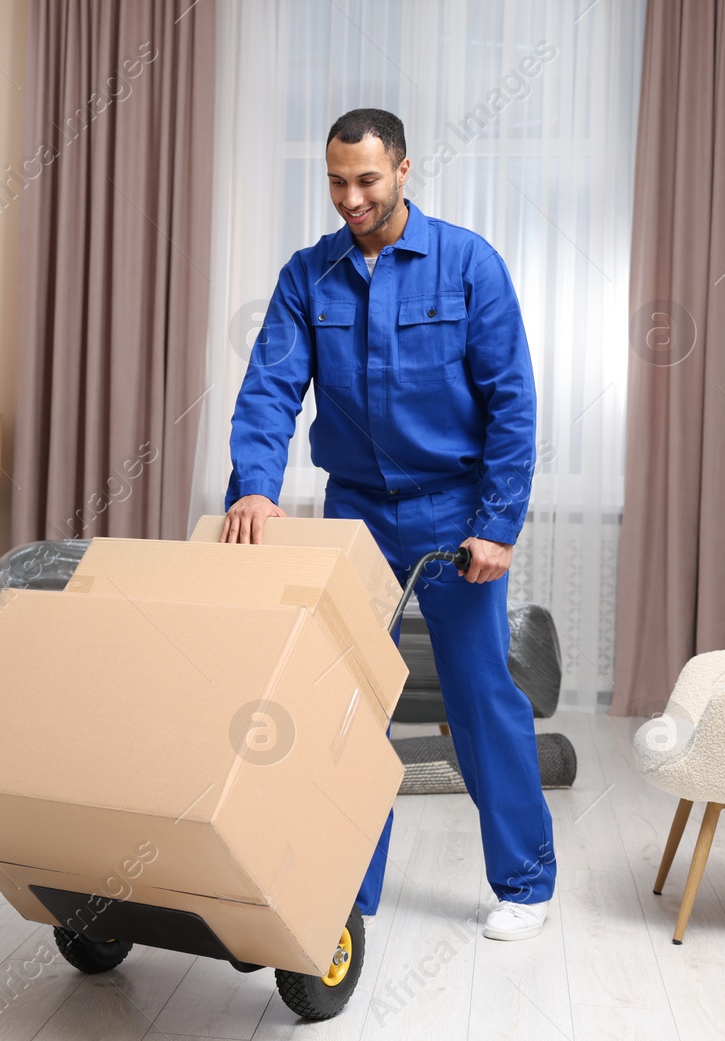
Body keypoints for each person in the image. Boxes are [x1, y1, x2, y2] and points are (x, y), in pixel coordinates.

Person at [221, 109, 555, 941]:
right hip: (358, 513)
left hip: (454, 514)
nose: (351, 198)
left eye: (366, 180)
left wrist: (498, 524)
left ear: (404, 170)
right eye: (336, 182)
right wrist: (254, 488)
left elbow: (513, 401)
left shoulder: (468, 264)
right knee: (346, 705)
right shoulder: (309, 276)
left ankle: (526, 882)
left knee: (478, 696)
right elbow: (269, 387)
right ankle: (347, 894)